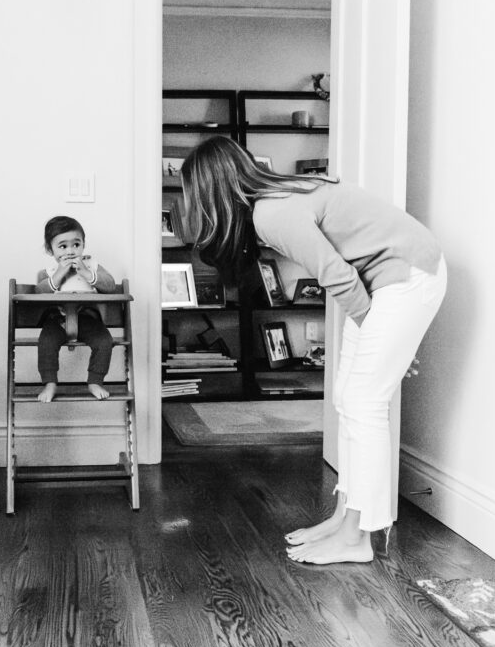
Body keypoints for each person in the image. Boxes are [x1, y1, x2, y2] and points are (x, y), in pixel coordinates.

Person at [179, 136, 446, 565]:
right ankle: (344, 519)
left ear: (213, 192)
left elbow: (335, 275)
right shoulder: (274, 199)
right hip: (382, 281)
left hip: (408, 274)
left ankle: (359, 538)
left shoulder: (272, 214)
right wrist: (385, 338)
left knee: (364, 401)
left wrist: (389, 342)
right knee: (346, 396)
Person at [35, 216, 116, 402]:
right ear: (50, 250)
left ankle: (95, 381)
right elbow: (39, 292)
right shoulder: (47, 273)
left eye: (76, 244)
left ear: (83, 245)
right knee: (46, 343)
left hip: (86, 318)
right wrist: (59, 274)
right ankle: (50, 384)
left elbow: (110, 285)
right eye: (63, 246)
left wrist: (87, 274)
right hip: (57, 319)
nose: (71, 251)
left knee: (104, 341)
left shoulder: (92, 266)